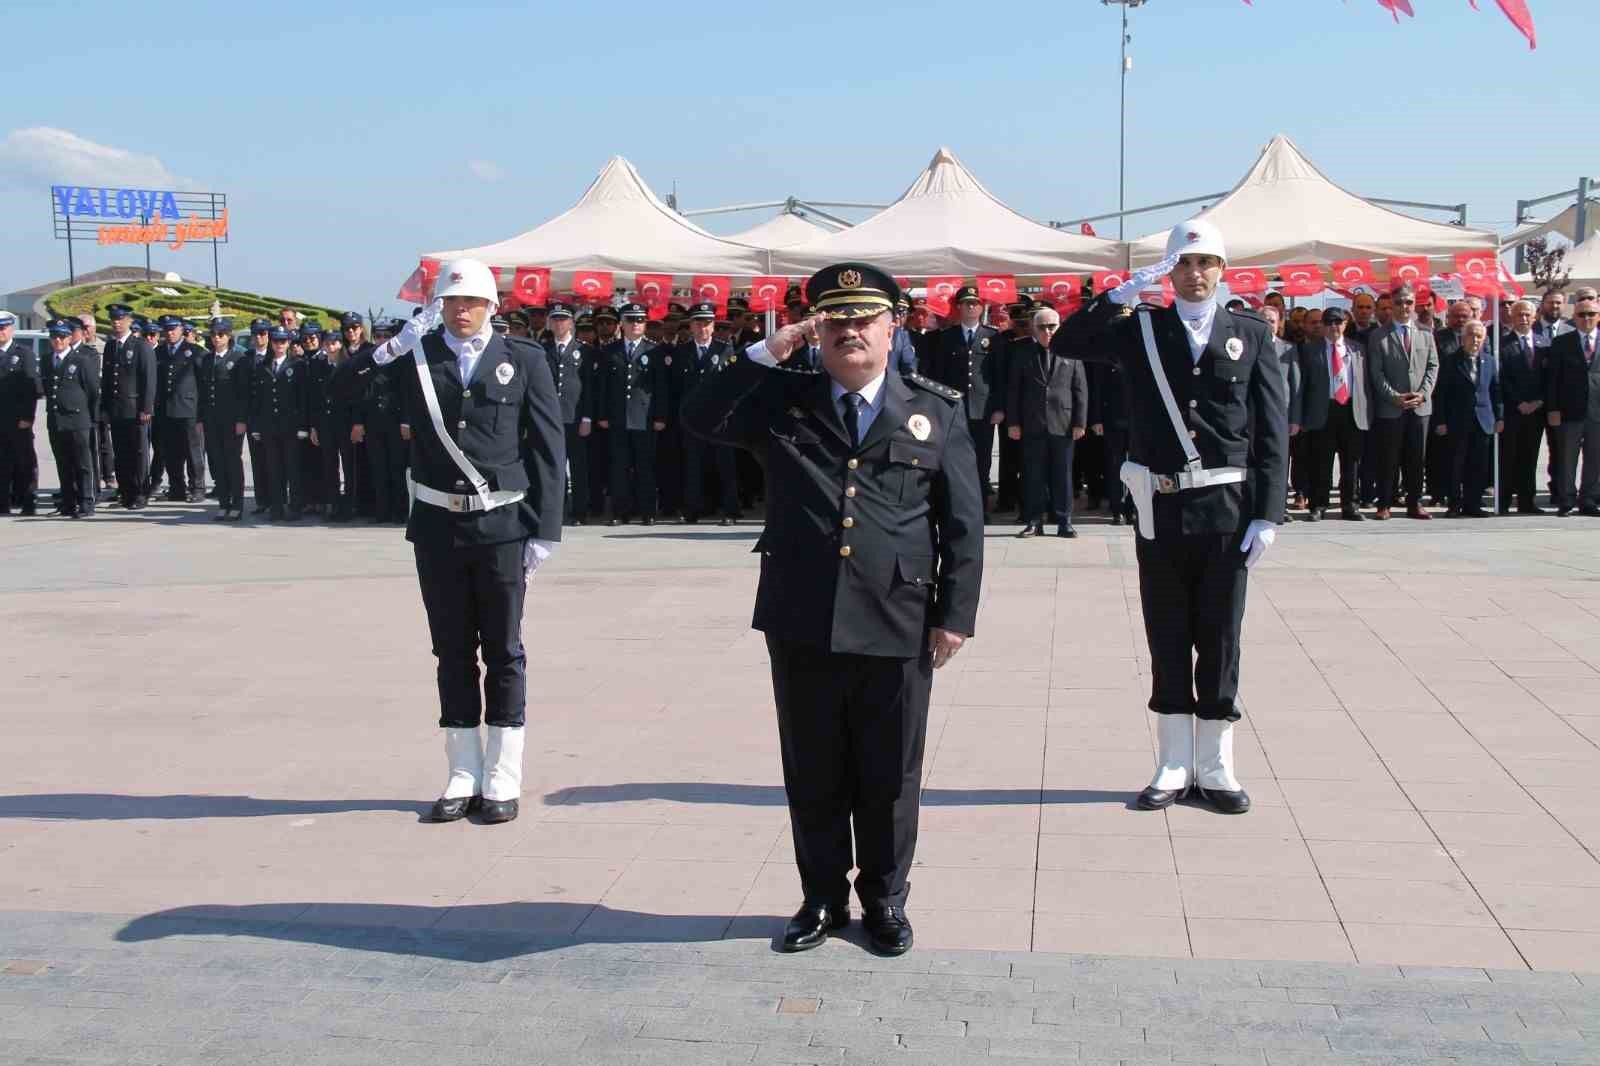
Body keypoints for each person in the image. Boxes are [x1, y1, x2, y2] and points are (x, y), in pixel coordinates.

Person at [682, 261, 983, 956]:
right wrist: (768, 350)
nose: (851, 332)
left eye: (864, 320)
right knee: (813, 766)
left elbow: (962, 522)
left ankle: (884, 899)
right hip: (802, 614)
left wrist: (955, 614)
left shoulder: (934, 409)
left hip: (898, 616)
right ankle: (821, 898)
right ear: (818, 330)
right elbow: (699, 417)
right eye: (836, 321)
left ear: (892, 326)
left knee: (889, 772)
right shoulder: (780, 402)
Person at [1055, 219, 1288, 816]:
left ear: (1222, 269)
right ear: (1169, 272)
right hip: (1160, 506)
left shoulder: (1250, 333)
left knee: (1219, 635)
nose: (1195, 274)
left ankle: (1216, 766)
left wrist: (1268, 513)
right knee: (1166, 632)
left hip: (1228, 509)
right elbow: (1067, 342)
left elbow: (1269, 430)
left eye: (1206, 263)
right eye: (1183, 264)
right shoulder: (1143, 329)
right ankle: (1173, 762)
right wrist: (1123, 293)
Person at [367, 259, 564, 825]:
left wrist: (545, 529)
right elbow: (346, 383)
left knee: (504, 650)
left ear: (490, 307)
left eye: (471, 302)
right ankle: (462, 771)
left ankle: (502, 774)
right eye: (451, 302)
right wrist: (393, 344)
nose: (461, 311)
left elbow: (549, 449)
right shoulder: (418, 358)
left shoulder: (523, 359)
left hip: (502, 526)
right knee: (451, 650)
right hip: (436, 526)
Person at [1006, 307, 1087, 537]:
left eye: (1052, 326)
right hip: (1032, 425)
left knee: (1063, 476)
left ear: (1059, 327)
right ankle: (1034, 521)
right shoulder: (1023, 354)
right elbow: (1014, 391)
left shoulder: (1071, 353)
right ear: (1034, 329)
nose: (1047, 331)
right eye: (1042, 327)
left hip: (1063, 424)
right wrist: (1013, 422)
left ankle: (1064, 521)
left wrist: (1080, 422)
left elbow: (1080, 390)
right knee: (1033, 476)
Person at [1367, 286, 1439, 521]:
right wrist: (1393, 397)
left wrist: (1424, 393)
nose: (1404, 307)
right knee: (1388, 457)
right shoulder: (1379, 335)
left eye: (1408, 302)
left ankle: (1414, 502)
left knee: (1416, 458)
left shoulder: (1425, 332)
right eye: (1399, 303)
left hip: (1419, 407)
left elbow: (1432, 366)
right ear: (1392, 305)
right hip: (1391, 407)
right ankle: (1384, 502)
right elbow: (1376, 373)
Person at [928, 286, 1003, 511]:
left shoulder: (992, 336)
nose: (971, 306)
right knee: (955, 460)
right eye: (967, 303)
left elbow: (999, 376)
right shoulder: (946, 337)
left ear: (982, 307)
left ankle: (980, 509)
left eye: (975, 303)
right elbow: (939, 375)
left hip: (983, 409)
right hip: (954, 409)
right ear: (959, 307)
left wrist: (998, 407)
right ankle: (957, 507)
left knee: (982, 461)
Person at [1295, 307, 1369, 522]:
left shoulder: (1358, 349)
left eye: (1338, 322)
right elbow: (1303, 386)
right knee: (1321, 462)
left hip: (1351, 410)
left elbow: (1366, 385)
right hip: (1323, 411)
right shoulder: (1310, 351)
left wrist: (1368, 413)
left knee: (1351, 463)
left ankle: (1350, 505)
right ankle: (1318, 505)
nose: (1334, 327)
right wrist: (1302, 417)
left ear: (1346, 324)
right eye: (1329, 322)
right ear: (1323, 326)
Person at [596, 303, 666, 525]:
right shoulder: (610, 351)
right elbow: (603, 387)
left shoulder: (654, 350)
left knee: (645, 466)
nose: (636, 324)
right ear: (622, 324)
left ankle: (647, 512)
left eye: (640, 320)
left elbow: (661, 388)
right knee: (619, 467)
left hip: (644, 418)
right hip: (618, 418)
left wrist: (660, 417)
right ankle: (620, 512)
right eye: (631, 320)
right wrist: (603, 414)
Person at [674, 302, 740, 525]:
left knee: (725, 466)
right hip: (692, 419)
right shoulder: (681, 352)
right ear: (691, 326)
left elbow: (733, 385)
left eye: (707, 323)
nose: (703, 328)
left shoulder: (725, 349)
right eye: (698, 323)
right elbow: (676, 388)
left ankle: (730, 511)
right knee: (693, 466)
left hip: (719, 419)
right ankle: (692, 510)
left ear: (713, 326)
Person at [1432, 319, 1501, 518]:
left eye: (1479, 336)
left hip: (1483, 421)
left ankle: (1473, 503)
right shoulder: (1450, 361)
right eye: (1471, 335)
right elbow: (1441, 394)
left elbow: (1495, 390)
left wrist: (1499, 416)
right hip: (1457, 422)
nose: (1475, 340)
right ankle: (1454, 504)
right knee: (1456, 464)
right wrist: (1441, 421)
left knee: (1478, 465)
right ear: (1463, 338)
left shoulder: (1489, 361)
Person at [249, 326, 310, 522]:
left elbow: (303, 399)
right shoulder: (263, 366)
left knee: (293, 468)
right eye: (276, 341)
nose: (279, 345)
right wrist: (256, 426)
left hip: (290, 426)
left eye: (283, 341)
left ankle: (295, 506)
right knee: (273, 468)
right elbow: (257, 400)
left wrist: (303, 426)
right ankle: (276, 506)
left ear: (289, 343)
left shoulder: (298, 365)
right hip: (269, 426)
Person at [1546, 297, 1600, 516]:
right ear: (1574, 317)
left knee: (1595, 458)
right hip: (1569, 411)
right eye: (1581, 314)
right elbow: (1552, 379)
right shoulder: (1562, 342)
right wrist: (1553, 409)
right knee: (1567, 457)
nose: (1586, 318)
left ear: (1598, 317)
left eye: (1591, 314)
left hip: (1597, 411)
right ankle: (1566, 499)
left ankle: (1589, 500)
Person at [40, 319, 100, 518]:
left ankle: (86, 503)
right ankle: (68, 502)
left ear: (69, 338)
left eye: (62, 336)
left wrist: (91, 417)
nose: (58, 340)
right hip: (56, 419)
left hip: (78, 419)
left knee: (83, 464)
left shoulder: (81, 360)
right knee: (63, 463)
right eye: (54, 337)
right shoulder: (48, 360)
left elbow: (92, 391)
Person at [99, 304, 155, 511]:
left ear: (129, 321)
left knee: (138, 453)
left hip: (135, 410)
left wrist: (146, 408)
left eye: (121, 319)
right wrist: (104, 408)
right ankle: (126, 491)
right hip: (116, 410)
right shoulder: (110, 347)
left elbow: (148, 379)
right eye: (113, 318)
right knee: (121, 453)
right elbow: (107, 381)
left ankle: (140, 492)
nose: (116, 322)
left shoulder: (141, 345)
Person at [543, 301, 594, 524]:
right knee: (553, 467)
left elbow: (589, 388)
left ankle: (580, 511)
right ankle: (557, 510)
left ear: (571, 322)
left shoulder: (584, 351)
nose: (559, 323)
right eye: (555, 319)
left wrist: (587, 417)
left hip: (575, 417)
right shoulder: (542, 350)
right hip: (550, 419)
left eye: (563, 319)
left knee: (578, 466)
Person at [353, 319, 409, 524]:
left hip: (395, 421)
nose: (382, 340)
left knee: (397, 468)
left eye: (387, 336)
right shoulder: (366, 360)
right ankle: (381, 510)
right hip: (373, 421)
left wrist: (406, 421)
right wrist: (358, 422)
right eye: (378, 336)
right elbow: (359, 393)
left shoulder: (402, 359)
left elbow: (408, 393)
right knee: (377, 468)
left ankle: (400, 511)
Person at [198, 318, 251, 521]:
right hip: (212, 419)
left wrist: (241, 420)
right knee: (218, 462)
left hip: (231, 420)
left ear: (228, 336)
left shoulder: (239, 359)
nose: (216, 338)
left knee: (232, 462)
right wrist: (201, 418)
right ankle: (224, 503)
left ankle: (236, 504)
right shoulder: (206, 359)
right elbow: (204, 392)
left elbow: (243, 393)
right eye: (213, 335)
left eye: (220, 334)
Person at [1499, 300, 1548, 514]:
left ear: (1535, 316)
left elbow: (1550, 377)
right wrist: (1519, 402)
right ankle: (1503, 501)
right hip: (1513, 410)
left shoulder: (1544, 344)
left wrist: (1539, 401)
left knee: (1530, 457)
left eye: (1528, 314)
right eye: (1519, 314)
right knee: (1508, 457)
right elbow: (1501, 378)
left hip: (1536, 412)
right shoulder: (1501, 343)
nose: (1524, 318)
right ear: (1512, 316)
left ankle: (1527, 501)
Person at [151, 315, 202, 502]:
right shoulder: (159, 352)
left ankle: (197, 488)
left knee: (192, 451)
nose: (170, 333)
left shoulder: (195, 351)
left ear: (182, 329)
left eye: (173, 329)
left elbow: (202, 382)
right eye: (167, 329)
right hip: (165, 409)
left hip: (188, 409)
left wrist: (201, 412)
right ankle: (176, 488)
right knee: (171, 451)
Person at [0, 311, 41, 515]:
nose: (0, 332)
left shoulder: (23, 353)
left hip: (19, 420)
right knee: (2, 463)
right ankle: (3, 503)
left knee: (25, 462)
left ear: (11, 329)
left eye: (3, 328)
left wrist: (28, 417)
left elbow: (31, 388)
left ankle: (28, 501)